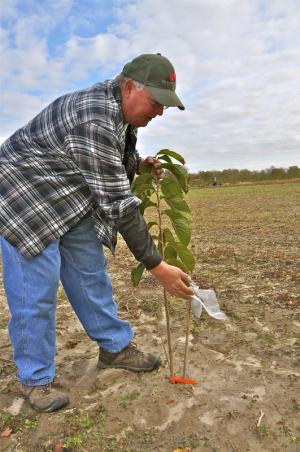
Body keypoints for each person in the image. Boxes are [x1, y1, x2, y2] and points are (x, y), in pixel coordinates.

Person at [0, 53, 194, 413]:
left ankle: (114, 347)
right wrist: (157, 265)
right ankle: (35, 379)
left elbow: (103, 156)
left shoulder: (120, 115)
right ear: (130, 87)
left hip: (68, 196)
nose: (160, 112)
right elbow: (119, 203)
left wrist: (138, 162)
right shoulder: (94, 115)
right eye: (157, 102)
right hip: (24, 196)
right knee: (35, 292)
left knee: (90, 273)